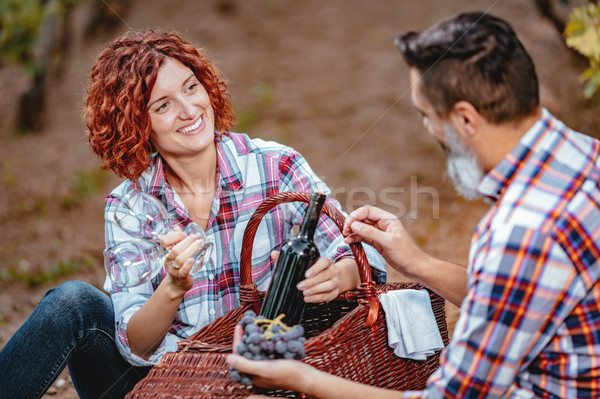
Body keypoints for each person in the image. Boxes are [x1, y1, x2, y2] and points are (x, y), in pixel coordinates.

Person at [228, 11, 600, 398]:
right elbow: (515, 300)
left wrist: (301, 378)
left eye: (427, 116)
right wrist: (417, 264)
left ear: (466, 120)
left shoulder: (519, 232)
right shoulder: (586, 155)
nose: (428, 129)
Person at [0, 30, 385, 398]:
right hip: (164, 384)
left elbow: (357, 255)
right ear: (138, 125)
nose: (189, 110)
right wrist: (172, 288)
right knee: (73, 303)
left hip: (266, 381)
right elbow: (135, 345)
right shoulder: (130, 206)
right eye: (163, 105)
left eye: (191, 87)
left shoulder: (276, 168)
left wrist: (337, 275)